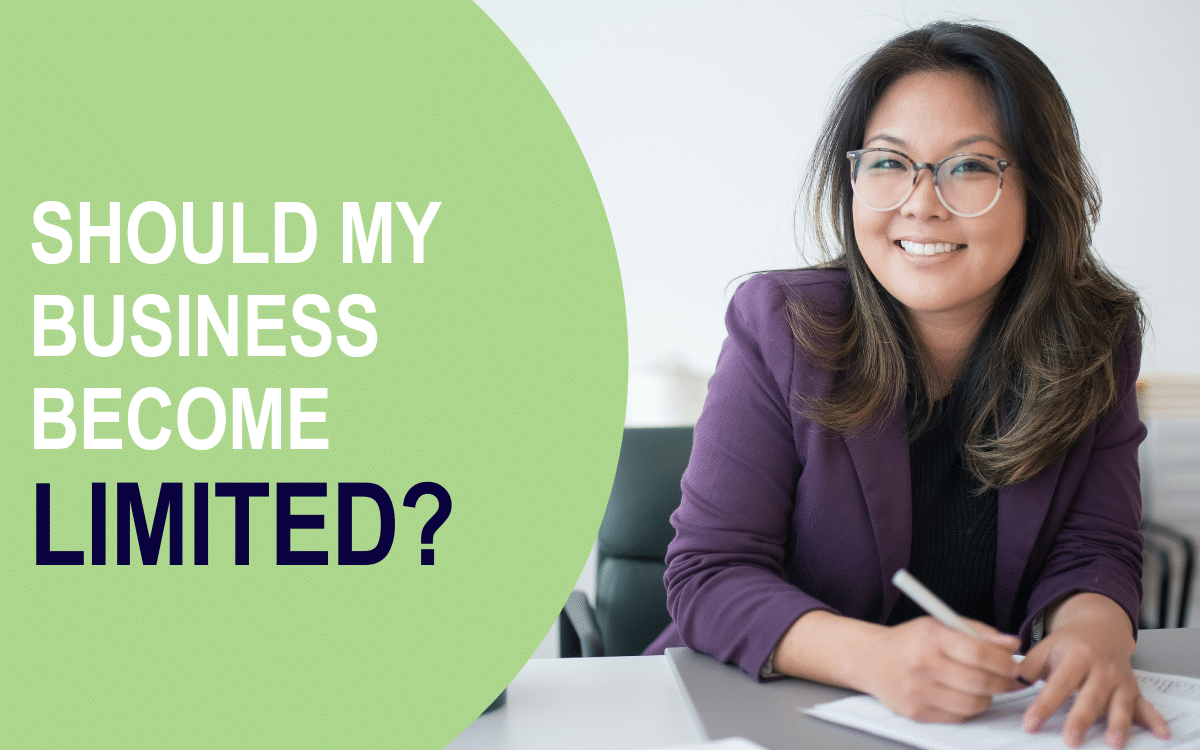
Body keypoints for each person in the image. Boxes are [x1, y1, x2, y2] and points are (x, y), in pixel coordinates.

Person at [643, 21, 1172, 750]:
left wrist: (1092, 633)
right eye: (889, 163)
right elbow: (708, 574)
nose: (921, 203)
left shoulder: (1093, 338)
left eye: (970, 167)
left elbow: (1096, 550)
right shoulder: (782, 326)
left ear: (1040, 192)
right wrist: (875, 659)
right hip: (757, 720)